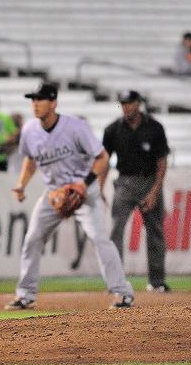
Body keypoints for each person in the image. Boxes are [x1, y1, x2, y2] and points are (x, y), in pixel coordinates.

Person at [7, 82, 134, 310]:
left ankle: (122, 292)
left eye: (40, 99)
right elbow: (30, 160)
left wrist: (84, 184)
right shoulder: (29, 130)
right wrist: (21, 185)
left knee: (99, 238)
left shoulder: (76, 127)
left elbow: (102, 158)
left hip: (84, 191)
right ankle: (25, 294)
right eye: (33, 99)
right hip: (54, 193)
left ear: (53, 102)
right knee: (32, 238)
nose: (35, 103)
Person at [102, 90, 170, 293]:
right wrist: (99, 187)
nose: (126, 107)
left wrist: (155, 191)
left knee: (155, 231)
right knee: (116, 230)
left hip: (150, 181)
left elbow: (162, 162)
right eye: (123, 103)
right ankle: (115, 282)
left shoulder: (155, 128)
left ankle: (157, 281)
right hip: (124, 182)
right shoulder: (112, 129)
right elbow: (103, 161)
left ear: (138, 104)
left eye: (130, 103)